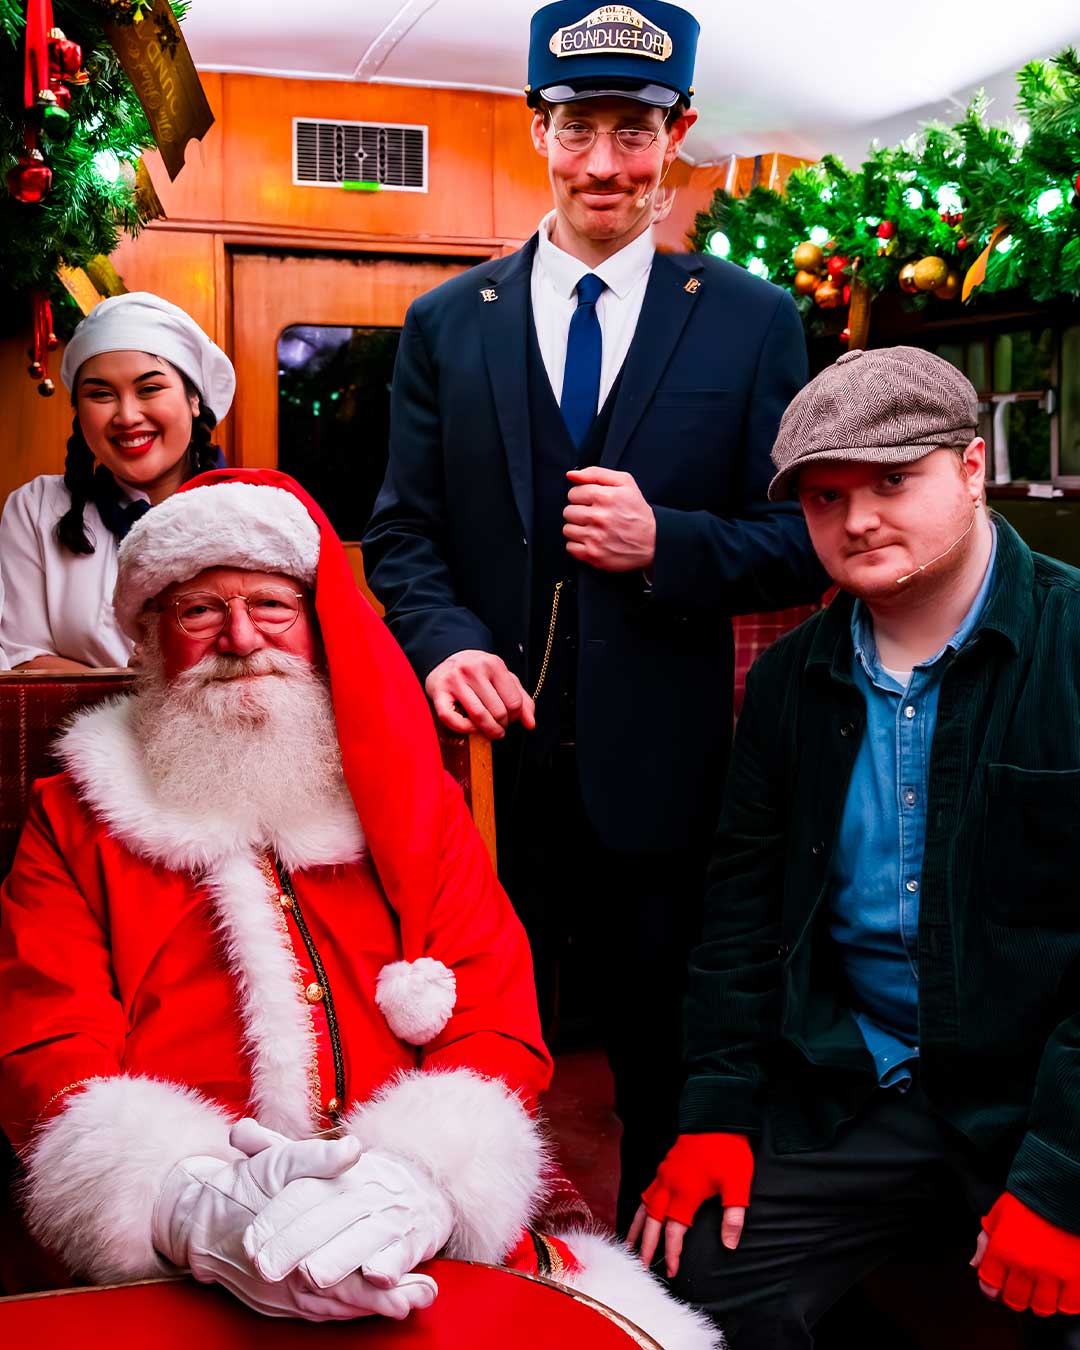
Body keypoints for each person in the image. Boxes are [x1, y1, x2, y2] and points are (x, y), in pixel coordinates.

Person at [0, 468, 716, 1346]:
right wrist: (184, 1203)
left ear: (318, 630)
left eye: (272, 605)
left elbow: (492, 1003)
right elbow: (47, 1034)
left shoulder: (407, 793)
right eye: (198, 612)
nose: (239, 637)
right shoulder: (77, 810)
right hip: (181, 1229)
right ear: (152, 638)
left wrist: (420, 1179)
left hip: (407, 1214)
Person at [362, 0, 826, 1230]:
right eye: (580, 128)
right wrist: (449, 641)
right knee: (468, 1055)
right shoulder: (444, 326)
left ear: (676, 132)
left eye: (635, 129)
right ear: (537, 129)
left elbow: (801, 540)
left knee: (667, 1065)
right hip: (481, 783)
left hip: (667, 786)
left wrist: (668, 541)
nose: (607, 164)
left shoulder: (752, 320)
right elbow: (401, 534)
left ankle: (669, 1283)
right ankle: (464, 1261)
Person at [632, 347, 1080, 1348]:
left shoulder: (1071, 642)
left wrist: (1064, 1181)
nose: (859, 518)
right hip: (855, 1086)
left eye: (893, 480)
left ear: (971, 469)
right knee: (682, 1275)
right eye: (826, 497)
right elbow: (742, 912)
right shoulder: (794, 681)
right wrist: (717, 1109)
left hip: (1041, 1097)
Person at [0, 292, 233, 671]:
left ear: (194, 399)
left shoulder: (252, 510)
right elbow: (20, 656)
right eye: (101, 394)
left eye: (149, 389)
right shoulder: (39, 508)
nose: (126, 416)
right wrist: (136, 688)